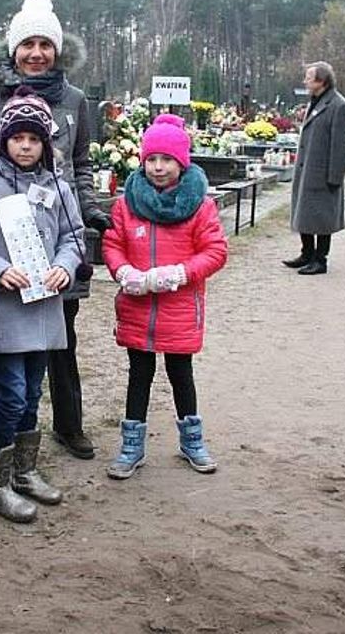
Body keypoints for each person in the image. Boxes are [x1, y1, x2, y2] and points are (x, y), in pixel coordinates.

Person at [0, 0, 109, 460]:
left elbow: (80, 164)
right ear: (13, 50)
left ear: (58, 51)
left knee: (59, 336)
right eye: (28, 45)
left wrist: (85, 211)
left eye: (46, 44)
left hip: (54, 241)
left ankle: (67, 424)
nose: (37, 53)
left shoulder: (75, 102)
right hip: (4, 247)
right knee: (4, 351)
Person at [0, 87, 86, 523]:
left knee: (32, 391)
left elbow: (74, 238)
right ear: (3, 140)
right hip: (4, 309)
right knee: (9, 393)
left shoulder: (60, 189)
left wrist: (66, 267)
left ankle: (24, 471)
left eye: (34, 138)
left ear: (46, 142)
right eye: (17, 138)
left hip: (44, 305)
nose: (26, 146)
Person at [100, 115, 229, 479]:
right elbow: (113, 243)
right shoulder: (128, 204)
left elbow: (215, 251)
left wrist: (179, 274)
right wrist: (123, 271)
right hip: (139, 307)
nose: (158, 167)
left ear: (181, 162)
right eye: (152, 159)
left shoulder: (199, 205)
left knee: (180, 374)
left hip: (179, 308)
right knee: (138, 374)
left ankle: (192, 441)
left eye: (166, 160)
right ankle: (131, 445)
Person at [282, 61, 345, 275]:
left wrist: (334, 177)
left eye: (309, 77)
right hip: (307, 169)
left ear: (321, 81)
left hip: (322, 172)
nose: (305, 81)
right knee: (304, 212)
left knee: (322, 217)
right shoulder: (315, 101)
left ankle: (320, 259)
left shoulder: (338, 106)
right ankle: (307, 253)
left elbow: (341, 145)